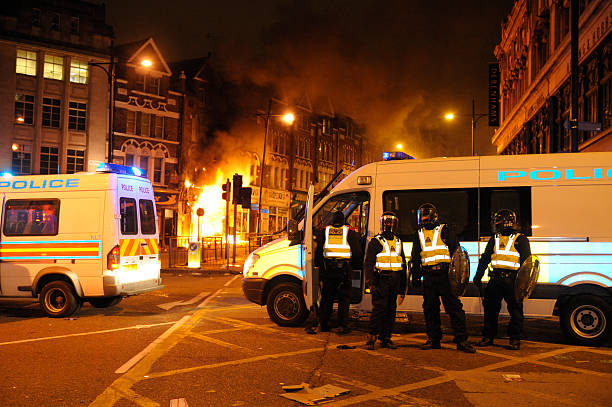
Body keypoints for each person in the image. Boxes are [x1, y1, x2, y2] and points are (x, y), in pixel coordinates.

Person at [411, 203, 475, 353]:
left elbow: (456, 252)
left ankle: (462, 340)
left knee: (454, 308)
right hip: (428, 276)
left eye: (427, 216)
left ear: (434, 216)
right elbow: (415, 257)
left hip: (445, 276)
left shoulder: (445, 230)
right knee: (430, 309)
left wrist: (457, 276)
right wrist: (415, 275)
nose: (425, 219)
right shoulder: (419, 234)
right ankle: (434, 339)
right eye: (423, 217)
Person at [473, 209, 532, 350]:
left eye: (498, 221)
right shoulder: (495, 238)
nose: (496, 224)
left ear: (506, 222)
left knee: (516, 311)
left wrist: (523, 283)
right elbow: (485, 258)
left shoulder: (521, 239)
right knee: (490, 310)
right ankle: (488, 337)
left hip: (513, 281)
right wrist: (478, 275)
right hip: (496, 279)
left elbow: (527, 263)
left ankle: (515, 339)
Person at [314, 210, 362, 334]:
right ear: (343, 220)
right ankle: (342, 325)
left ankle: (323, 324)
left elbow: (318, 253)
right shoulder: (349, 232)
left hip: (329, 270)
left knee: (327, 298)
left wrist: (321, 271)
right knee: (344, 299)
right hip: (344, 270)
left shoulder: (325, 231)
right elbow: (357, 253)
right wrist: (355, 266)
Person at [364, 211, 406, 350]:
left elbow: (403, 264)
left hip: (395, 280)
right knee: (379, 310)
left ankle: (386, 338)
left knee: (391, 311)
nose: (389, 225)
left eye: (391, 223)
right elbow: (369, 263)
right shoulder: (376, 241)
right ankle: (371, 338)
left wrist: (403, 286)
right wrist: (371, 282)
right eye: (387, 222)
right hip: (380, 280)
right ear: (383, 224)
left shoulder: (399, 241)